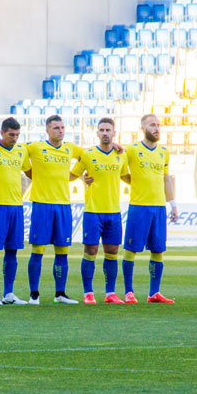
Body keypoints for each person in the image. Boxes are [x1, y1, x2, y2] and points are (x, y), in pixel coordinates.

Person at [23, 115, 83, 305]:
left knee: (62, 251)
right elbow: (16, 150)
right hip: (42, 204)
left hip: (64, 205)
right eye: (56, 128)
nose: (61, 131)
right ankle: (34, 294)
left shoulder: (70, 148)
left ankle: (60, 293)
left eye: (63, 127)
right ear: (47, 130)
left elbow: (89, 156)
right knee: (38, 250)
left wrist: (75, 175)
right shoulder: (35, 147)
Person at [70, 118, 130, 304]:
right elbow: (72, 175)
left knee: (112, 250)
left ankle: (110, 293)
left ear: (114, 133)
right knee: (91, 250)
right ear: (97, 133)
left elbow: (127, 176)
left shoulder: (121, 155)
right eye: (102, 130)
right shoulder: (88, 155)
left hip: (113, 212)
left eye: (108, 130)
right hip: (92, 211)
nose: (105, 133)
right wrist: (82, 179)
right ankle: (88, 293)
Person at [121, 114, 178, 304]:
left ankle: (154, 293)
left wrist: (173, 204)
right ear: (143, 128)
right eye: (152, 125)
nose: (156, 128)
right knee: (131, 249)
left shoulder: (164, 152)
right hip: (139, 207)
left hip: (159, 208)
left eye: (158, 125)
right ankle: (129, 291)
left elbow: (166, 179)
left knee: (158, 250)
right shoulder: (132, 150)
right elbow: (121, 170)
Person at [0, 117, 31, 305]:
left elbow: (30, 172)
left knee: (12, 250)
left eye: (18, 135)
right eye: (11, 134)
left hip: (16, 207)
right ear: (2, 133)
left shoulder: (22, 150)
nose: (15, 138)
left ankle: (9, 294)